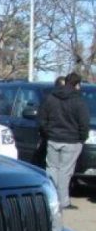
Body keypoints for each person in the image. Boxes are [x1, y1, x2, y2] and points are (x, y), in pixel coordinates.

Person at [38, 72, 91, 210]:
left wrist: (47, 134)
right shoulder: (78, 101)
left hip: (53, 138)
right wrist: (82, 138)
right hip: (72, 141)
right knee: (65, 172)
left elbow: (42, 119)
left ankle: (51, 198)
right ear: (77, 84)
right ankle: (64, 201)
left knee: (52, 169)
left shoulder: (51, 98)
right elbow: (84, 122)